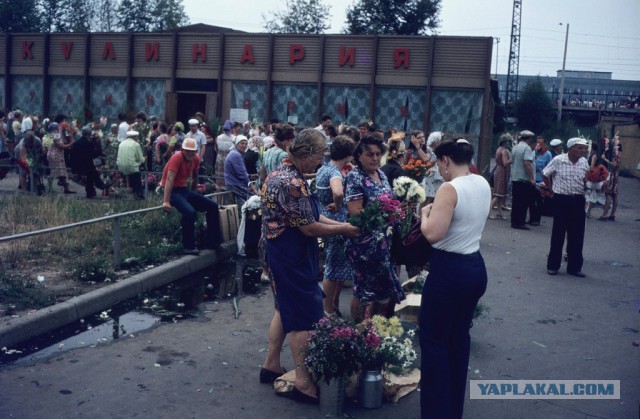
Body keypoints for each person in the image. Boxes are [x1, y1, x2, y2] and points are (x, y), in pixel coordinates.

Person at [260, 129, 359, 403]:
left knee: (285, 307)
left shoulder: (284, 173)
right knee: (303, 318)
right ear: (305, 155)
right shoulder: (291, 182)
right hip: (290, 255)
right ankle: (303, 383)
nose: (321, 162)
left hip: (283, 252)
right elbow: (309, 227)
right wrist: (344, 229)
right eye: (318, 156)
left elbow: (312, 216)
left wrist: (342, 226)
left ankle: (270, 364)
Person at [418, 139, 491, 419]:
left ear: (446, 160)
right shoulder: (481, 182)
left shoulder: (450, 188)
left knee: (434, 342)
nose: (439, 169)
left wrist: (424, 214)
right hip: (474, 266)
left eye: (439, 163)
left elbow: (433, 234)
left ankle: (437, 412)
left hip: (449, 270)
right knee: (458, 338)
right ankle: (452, 410)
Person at [345, 135, 406, 321]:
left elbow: (389, 201)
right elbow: (355, 212)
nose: (375, 158)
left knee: (382, 289)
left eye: (378, 154)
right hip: (365, 244)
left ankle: (375, 329)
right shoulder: (355, 177)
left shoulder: (381, 174)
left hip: (384, 243)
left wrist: (398, 209)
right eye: (369, 154)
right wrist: (384, 213)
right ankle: (357, 329)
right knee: (363, 291)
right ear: (359, 156)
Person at [315, 135, 357, 318]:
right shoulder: (334, 172)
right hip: (335, 220)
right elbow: (338, 192)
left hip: (325, 215)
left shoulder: (324, 167)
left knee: (335, 264)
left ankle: (332, 304)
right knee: (332, 267)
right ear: (348, 155)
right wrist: (338, 204)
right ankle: (328, 309)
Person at [160, 137, 222, 255]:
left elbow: (195, 177)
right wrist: (166, 201)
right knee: (190, 212)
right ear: (182, 150)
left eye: (193, 151)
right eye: (188, 151)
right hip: (172, 190)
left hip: (183, 189)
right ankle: (188, 246)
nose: (190, 153)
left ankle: (212, 242)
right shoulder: (176, 157)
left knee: (213, 206)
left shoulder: (196, 158)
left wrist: (194, 195)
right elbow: (169, 179)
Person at [542, 137, 590, 277]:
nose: (583, 151)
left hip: (578, 200)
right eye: (580, 148)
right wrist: (550, 189)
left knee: (577, 235)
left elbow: (586, 179)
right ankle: (553, 266)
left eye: (584, 148)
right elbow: (545, 174)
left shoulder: (583, 162)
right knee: (558, 233)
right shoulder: (558, 160)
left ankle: (574, 267)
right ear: (571, 148)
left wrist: (594, 185)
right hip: (561, 200)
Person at [510, 130, 536, 230]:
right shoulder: (527, 148)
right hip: (523, 179)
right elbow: (527, 164)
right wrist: (532, 179)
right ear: (528, 138)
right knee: (523, 202)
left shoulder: (515, 147)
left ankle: (514, 221)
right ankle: (520, 222)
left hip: (515, 177)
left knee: (515, 201)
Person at [73, 126, 107, 198]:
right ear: (89, 134)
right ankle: (100, 185)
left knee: (91, 175)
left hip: (77, 164)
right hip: (86, 165)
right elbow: (93, 154)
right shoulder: (88, 143)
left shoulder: (77, 142)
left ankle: (93, 189)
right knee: (92, 172)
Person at [224, 135, 256, 209]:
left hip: (233, 182)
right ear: (237, 144)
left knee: (242, 205)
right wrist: (252, 187)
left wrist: (250, 176)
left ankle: (243, 218)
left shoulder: (235, 153)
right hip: (234, 184)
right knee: (254, 198)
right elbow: (242, 175)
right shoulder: (236, 155)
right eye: (242, 143)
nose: (244, 145)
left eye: (245, 143)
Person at [45, 122, 75, 194]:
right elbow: (62, 146)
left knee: (58, 172)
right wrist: (72, 143)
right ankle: (50, 188)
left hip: (52, 154)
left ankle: (63, 188)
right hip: (56, 155)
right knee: (59, 172)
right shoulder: (56, 135)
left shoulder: (49, 135)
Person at [530, 137, 552, 226]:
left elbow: (549, 167)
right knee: (531, 200)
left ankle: (536, 219)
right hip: (533, 179)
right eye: (537, 142)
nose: (539, 144)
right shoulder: (534, 152)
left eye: (541, 143)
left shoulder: (547, 154)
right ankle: (531, 218)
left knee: (539, 200)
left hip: (541, 180)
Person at [599, 136, 622, 221]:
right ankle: (612, 214)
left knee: (608, 194)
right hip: (616, 174)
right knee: (614, 195)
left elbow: (615, 164)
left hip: (612, 174)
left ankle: (604, 215)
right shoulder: (619, 152)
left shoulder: (616, 152)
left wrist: (605, 159)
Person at [117, 130, 146, 199]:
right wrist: (145, 158)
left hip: (121, 167)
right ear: (135, 137)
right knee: (137, 179)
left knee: (128, 172)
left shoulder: (121, 143)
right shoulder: (136, 144)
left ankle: (128, 188)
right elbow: (141, 160)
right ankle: (139, 195)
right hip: (132, 169)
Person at [489, 137, 512, 219]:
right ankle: (488, 211)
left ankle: (499, 212)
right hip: (502, 171)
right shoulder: (504, 151)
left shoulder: (498, 149)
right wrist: (512, 159)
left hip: (498, 170)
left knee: (499, 194)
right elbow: (505, 163)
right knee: (499, 194)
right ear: (505, 143)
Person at [423, 131, 445, 205]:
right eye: (439, 141)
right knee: (428, 196)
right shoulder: (429, 150)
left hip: (436, 175)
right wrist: (436, 160)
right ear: (435, 141)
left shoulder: (437, 150)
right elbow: (427, 162)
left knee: (433, 196)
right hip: (430, 175)